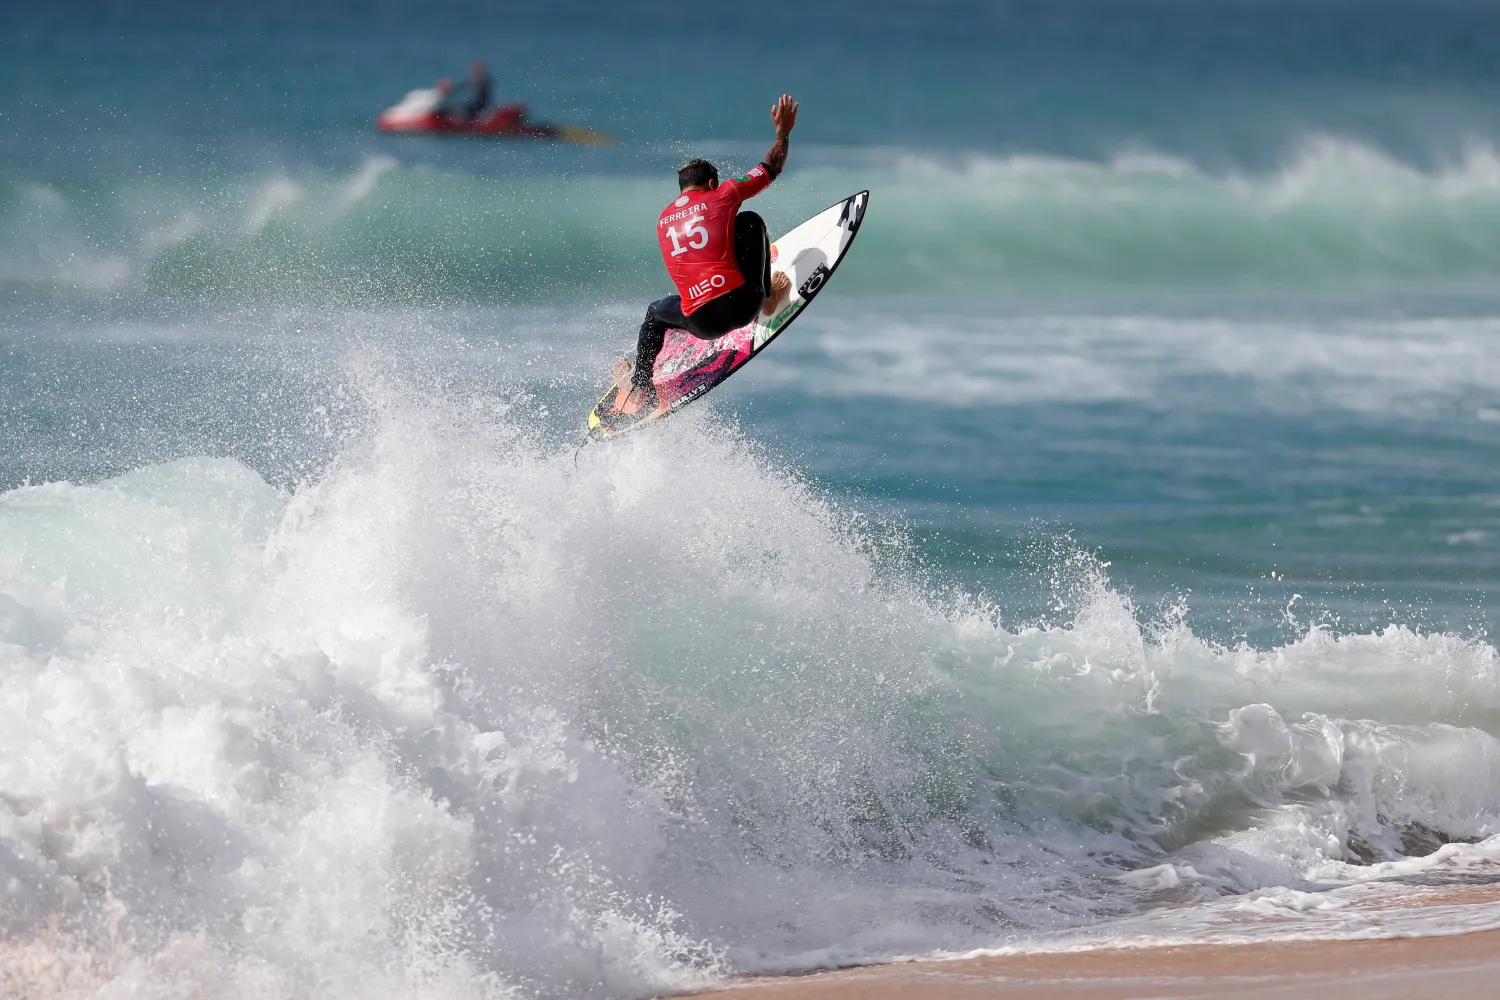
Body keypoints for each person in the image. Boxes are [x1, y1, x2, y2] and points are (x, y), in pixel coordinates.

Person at [612, 94, 799, 415]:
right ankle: (769, 296)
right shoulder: (723, 194)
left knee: (655, 313)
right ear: (712, 183)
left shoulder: (663, 219)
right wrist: (783, 132)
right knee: (749, 221)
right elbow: (772, 167)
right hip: (742, 308)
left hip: (700, 323)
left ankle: (641, 385)